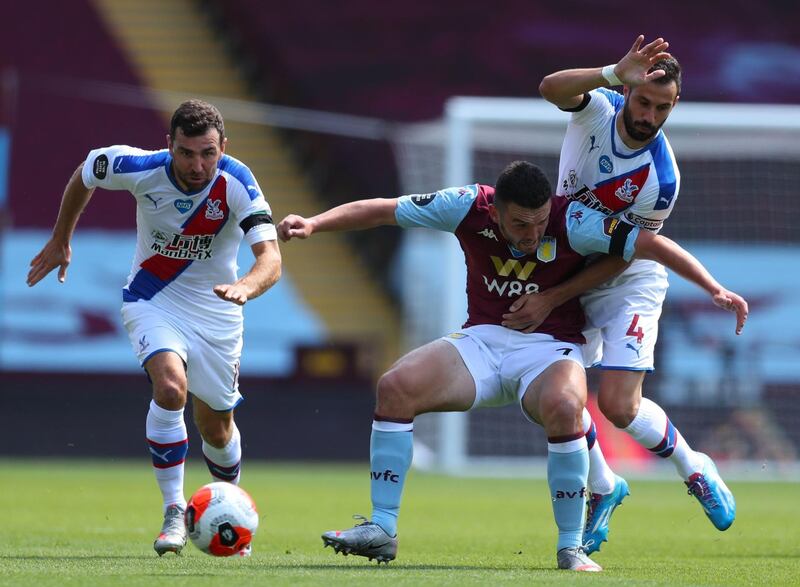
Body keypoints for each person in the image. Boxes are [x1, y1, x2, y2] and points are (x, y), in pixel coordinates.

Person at [277, 160, 747, 572]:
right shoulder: (465, 206)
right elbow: (384, 208)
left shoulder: (574, 220)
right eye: (520, 224)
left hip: (552, 348)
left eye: (540, 222)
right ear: (495, 210)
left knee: (568, 407)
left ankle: (570, 549)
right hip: (482, 342)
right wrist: (315, 224)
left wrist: (714, 288)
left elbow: (649, 245)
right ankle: (381, 529)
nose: (533, 234)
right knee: (395, 385)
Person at [26, 99, 282, 556]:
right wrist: (62, 237)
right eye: (186, 153)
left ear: (223, 147)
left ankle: (230, 505)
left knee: (217, 429)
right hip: (152, 299)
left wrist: (245, 286)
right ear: (169, 145)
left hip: (220, 310)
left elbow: (271, 259)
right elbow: (86, 171)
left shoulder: (238, 182)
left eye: (208, 153)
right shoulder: (139, 166)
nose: (198, 165)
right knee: (169, 389)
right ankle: (173, 511)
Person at [531, 35, 739, 552]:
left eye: (662, 107)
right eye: (643, 101)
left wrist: (555, 298)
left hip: (625, 278)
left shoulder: (660, 180)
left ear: (675, 105)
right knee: (552, 392)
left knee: (621, 407)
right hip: (568, 269)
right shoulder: (597, 107)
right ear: (627, 91)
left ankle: (694, 468)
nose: (649, 115)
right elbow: (548, 88)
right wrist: (609, 71)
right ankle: (604, 485)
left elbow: (622, 254)